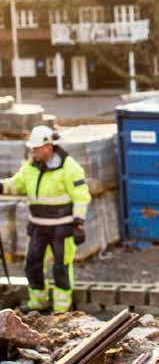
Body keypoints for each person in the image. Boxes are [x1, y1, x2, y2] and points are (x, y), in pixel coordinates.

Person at [0, 125, 91, 313]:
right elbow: (17, 184)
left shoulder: (69, 167)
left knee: (61, 268)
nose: (32, 152)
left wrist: (79, 223)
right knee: (32, 264)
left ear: (47, 147)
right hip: (38, 227)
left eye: (35, 148)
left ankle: (61, 310)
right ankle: (38, 302)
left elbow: (81, 196)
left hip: (62, 228)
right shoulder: (31, 168)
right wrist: (2, 187)